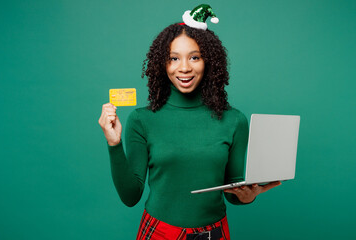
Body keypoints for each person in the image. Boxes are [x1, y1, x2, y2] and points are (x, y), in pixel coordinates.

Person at [98, 4, 281, 240]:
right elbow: (130, 196)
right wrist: (114, 145)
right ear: (162, 65)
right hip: (160, 232)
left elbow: (233, 190)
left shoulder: (234, 121)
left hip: (214, 232)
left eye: (194, 57)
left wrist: (247, 196)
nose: (184, 68)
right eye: (173, 58)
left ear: (209, 62)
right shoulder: (141, 120)